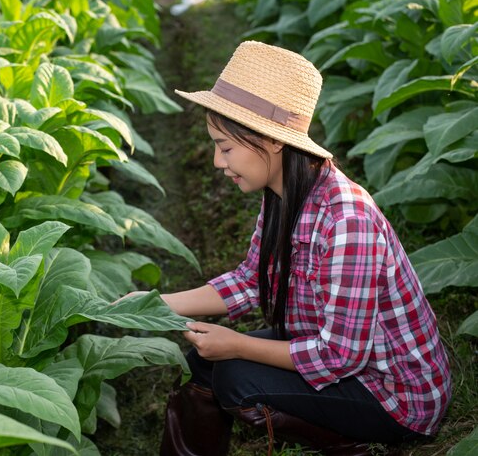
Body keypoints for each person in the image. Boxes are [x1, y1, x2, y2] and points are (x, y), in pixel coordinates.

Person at [126, 41, 452, 456]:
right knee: (204, 364)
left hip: (394, 394)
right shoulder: (285, 194)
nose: (216, 162)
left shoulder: (347, 221)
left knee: (235, 377)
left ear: (272, 141)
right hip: (330, 345)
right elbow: (248, 281)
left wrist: (237, 344)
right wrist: (154, 304)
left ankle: (352, 446)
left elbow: (340, 357)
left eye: (225, 148)